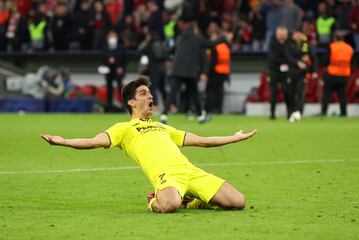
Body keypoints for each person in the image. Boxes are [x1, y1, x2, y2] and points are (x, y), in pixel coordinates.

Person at [41, 75, 257, 213]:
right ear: (131, 102)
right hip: (167, 177)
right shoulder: (123, 129)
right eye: (143, 93)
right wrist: (63, 142)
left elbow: (202, 141)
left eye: (150, 93)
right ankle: (154, 200)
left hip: (189, 172)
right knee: (169, 205)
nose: (150, 96)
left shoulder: (164, 128)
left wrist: (234, 137)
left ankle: (193, 201)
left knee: (238, 201)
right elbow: (92, 142)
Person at [160, 21, 210, 124]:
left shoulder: (180, 39)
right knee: (194, 94)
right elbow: (204, 58)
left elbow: (170, 51)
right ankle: (200, 115)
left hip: (177, 70)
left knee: (172, 93)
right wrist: (204, 72)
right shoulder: (197, 40)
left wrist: (166, 52)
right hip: (190, 72)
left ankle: (164, 115)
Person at [285, 29, 317, 122]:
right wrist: (299, 61)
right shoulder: (289, 44)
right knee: (290, 93)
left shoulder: (307, 44)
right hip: (291, 73)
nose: (298, 36)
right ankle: (290, 112)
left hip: (302, 73)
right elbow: (288, 56)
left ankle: (298, 113)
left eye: (300, 34)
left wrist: (313, 71)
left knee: (300, 93)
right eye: (296, 34)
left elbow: (313, 58)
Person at [321, 31, 353, 117]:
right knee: (342, 95)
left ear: (335, 38)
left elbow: (325, 61)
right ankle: (344, 113)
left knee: (327, 94)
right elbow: (352, 62)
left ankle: (324, 112)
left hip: (332, 73)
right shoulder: (349, 48)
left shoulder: (332, 46)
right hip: (344, 75)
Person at [205, 22, 231, 114]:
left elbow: (212, 61)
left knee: (211, 91)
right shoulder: (225, 44)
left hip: (215, 71)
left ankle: (210, 109)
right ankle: (219, 110)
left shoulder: (214, 44)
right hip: (224, 71)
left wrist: (206, 72)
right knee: (220, 91)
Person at [267, 26, 293, 120]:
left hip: (286, 72)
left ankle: (289, 113)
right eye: (280, 34)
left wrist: (287, 60)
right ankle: (272, 113)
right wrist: (284, 61)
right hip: (274, 71)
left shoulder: (290, 42)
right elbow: (272, 58)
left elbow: (291, 56)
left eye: (283, 34)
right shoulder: (272, 42)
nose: (282, 36)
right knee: (273, 93)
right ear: (277, 34)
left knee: (288, 92)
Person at [100, 31, 126, 112]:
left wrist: (121, 67)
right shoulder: (105, 47)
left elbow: (125, 58)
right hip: (109, 70)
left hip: (118, 69)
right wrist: (105, 64)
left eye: (113, 36)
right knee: (109, 88)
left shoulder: (120, 47)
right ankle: (109, 106)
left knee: (119, 87)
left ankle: (122, 105)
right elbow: (102, 58)